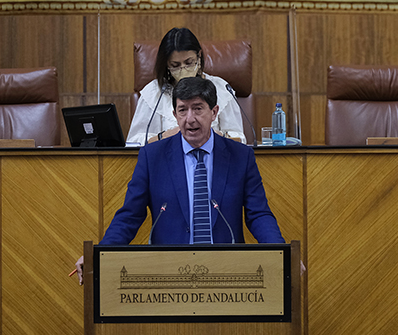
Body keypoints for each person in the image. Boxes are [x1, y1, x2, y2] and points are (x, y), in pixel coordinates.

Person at [72, 76, 283, 283]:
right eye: (182, 110)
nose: (190, 119)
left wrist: (282, 254)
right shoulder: (152, 157)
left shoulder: (240, 156)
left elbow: (259, 215)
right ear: (175, 114)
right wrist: (99, 254)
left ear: (214, 112)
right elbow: (129, 216)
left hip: (227, 270)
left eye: (198, 109)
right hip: (168, 271)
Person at [127, 27, 246, 145]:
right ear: (166, 65)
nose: (183, 70)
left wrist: (218, 136)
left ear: (199, 57)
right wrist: (163, 136)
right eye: (175, 65)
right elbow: (133, 142)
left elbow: (240, 139)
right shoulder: (154, 93)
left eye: (189, 63)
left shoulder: (222, 89)